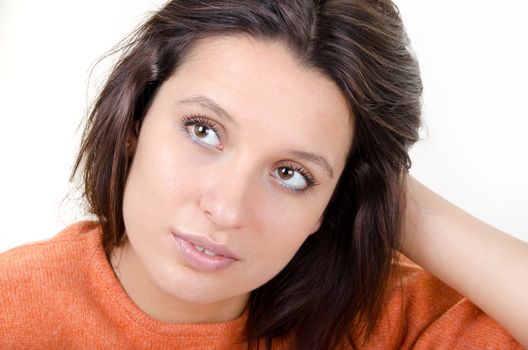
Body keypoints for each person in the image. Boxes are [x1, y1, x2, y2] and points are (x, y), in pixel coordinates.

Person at [0, 0, 526, 349]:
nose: (226, 209)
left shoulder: (382, 320)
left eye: (291, 174)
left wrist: (384, 191)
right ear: (135, 118)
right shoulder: (15, 310)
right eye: (203, 131)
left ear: (333, 201)